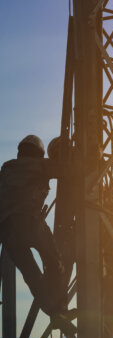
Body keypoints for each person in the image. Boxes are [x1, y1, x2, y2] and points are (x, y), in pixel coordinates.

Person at [0, 134, 66, 316]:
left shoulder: (6, 169)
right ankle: (59, 305)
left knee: (32, 275)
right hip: (30, 222)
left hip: (7, 232)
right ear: (39, 153)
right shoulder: (41, 165)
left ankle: (53, 312)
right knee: (54, 262)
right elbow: (69, 170)